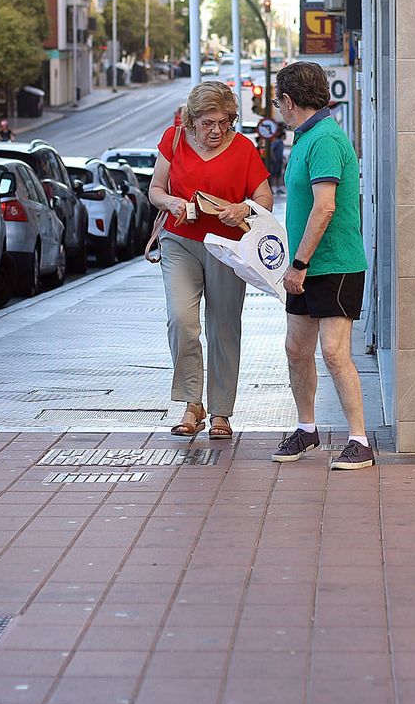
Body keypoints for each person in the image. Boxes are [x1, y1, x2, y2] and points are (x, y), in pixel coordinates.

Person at [147, 80, 274, 439]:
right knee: (181, 321)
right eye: (208, 123)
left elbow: (264, 198)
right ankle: (192, 404)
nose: (217, 130)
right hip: (180, 241)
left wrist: (241, 208)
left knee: (223, 327)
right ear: (192, 121)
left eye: (224, 122)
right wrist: (172, 203)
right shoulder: (173, 140)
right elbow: (156, 189)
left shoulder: (244, 148)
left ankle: (220, 412)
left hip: (227, 246)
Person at [269, 62, 374, 470]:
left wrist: (298, 263)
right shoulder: (308, 137)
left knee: (333, 352)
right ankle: (307, 429)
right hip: (309, 265)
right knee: (297, 349)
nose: (278, 107)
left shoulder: (325, 139)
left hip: (334, 264)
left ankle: (359, 440)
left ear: (290, 101)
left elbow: (325, 206)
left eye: (278, 101)